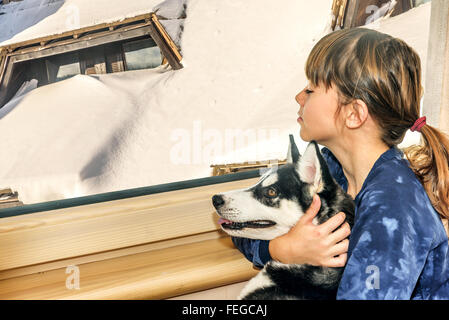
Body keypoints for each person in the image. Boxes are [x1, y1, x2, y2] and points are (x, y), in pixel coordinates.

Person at [232, 27, 449, 299]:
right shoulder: (332, 170)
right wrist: (282, 249)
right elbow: (238, 222)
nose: (299, 97)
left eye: (311, 89)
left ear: (354, 114)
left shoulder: (393, 210)